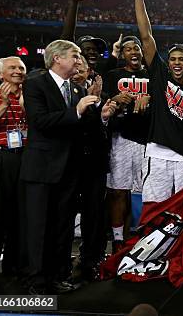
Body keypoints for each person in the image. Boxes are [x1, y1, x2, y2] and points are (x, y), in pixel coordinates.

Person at [20, 39, 116, 295]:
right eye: (74, 55)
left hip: (69, 170)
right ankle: (36, 281)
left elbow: (85, 128)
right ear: (57, 59)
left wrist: (100, 115)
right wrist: (76, 111)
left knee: (62, 226)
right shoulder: (35, 83)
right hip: (42, 169)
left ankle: (58, 275)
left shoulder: (76, 90)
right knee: (39, 227)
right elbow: (40, 121)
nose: (78, 59)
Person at [129, 0, 183, 204]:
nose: (177, 62)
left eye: (182, 59)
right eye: (173, 59)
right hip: (157, 153)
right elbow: (146, 36)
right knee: (154, 206)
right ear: (167, 63)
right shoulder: (160, 76)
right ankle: (155, 244)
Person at [103, 35, 150, 252]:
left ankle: (142, 235)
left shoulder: (151, 74)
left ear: (141, 52)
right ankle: (118, 239)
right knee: (119, 191)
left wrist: (150, 99)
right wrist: (114, 98)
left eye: (136, 48)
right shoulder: (113, 75)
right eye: (127, 49)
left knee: (143, 191)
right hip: (119, 139)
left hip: (146, 140)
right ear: (122, 54)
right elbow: (101, 97)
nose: (132, 52)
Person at [0, 56, 27, 290]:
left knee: (21, 218)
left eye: (21, 67)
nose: (18, 71)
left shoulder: (30, 97)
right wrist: (3, 105)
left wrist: (25, 107)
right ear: (0, 74)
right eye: (12, 67)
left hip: (25, 158)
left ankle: (14, 270)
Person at [70, 56, 110, 281]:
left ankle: (91, 259)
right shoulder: (62, 95)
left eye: (81, 69)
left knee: (94, 214)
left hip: (94, 165)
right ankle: (61, 260)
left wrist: (103, 118)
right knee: (65, 214)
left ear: (89, 72)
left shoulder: (101, 98)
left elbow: (103, 135)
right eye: (74, 68)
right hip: (68, 164)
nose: (77, 72)